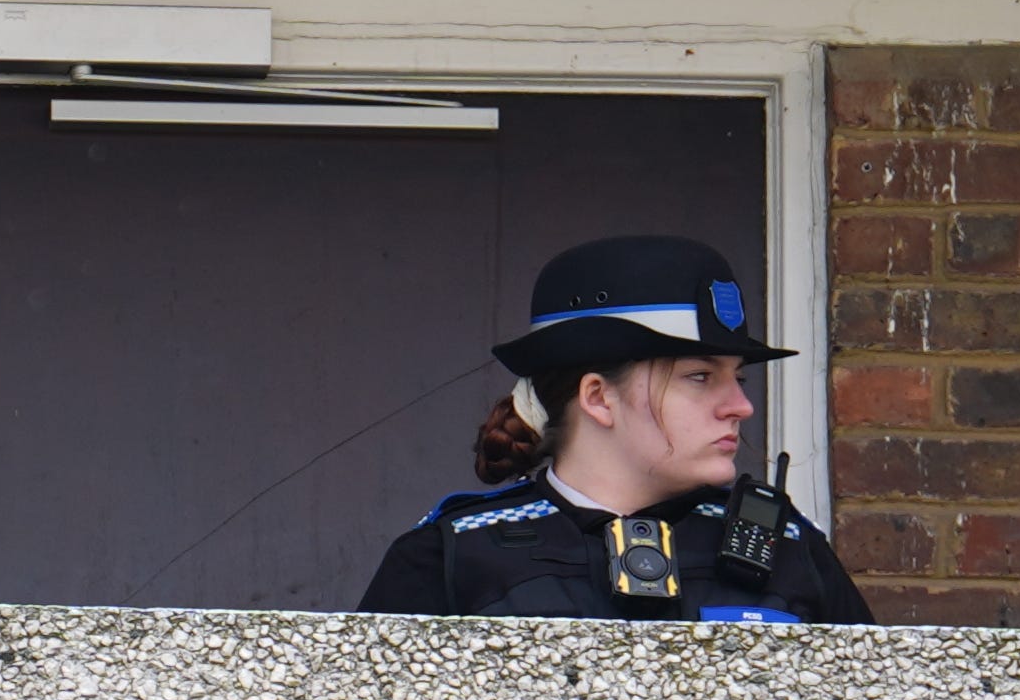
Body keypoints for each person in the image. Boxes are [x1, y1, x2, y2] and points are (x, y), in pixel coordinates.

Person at [357, 231, 870, 623]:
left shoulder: (790, 549)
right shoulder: (451, 554)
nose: (740, 406)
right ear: (599, 398)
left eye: (738, 378)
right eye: (699, 376)